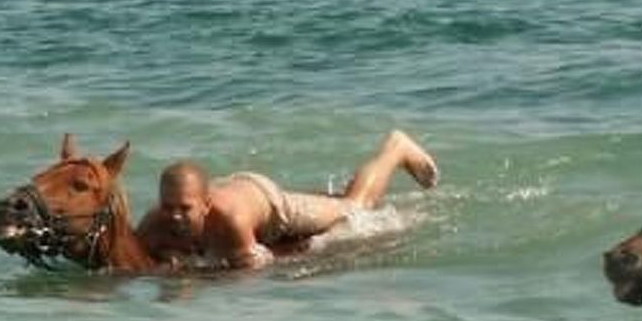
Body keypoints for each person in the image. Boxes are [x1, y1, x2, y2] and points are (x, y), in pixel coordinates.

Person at [137, 130, 440, 269]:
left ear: (205, 205)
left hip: (268, 202)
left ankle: (396, 149)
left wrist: (190, 278)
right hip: (233, 190)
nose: (174, 216)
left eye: (185, 209)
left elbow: (250, 275)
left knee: (355, 208)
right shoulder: (154, 223)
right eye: (168, 206)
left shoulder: (231, 221)